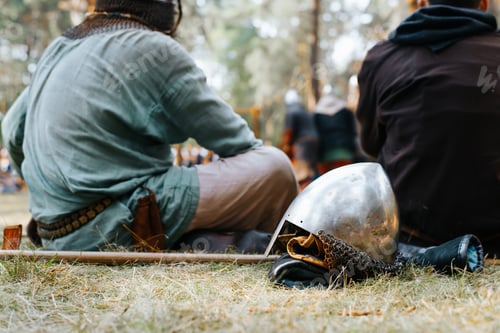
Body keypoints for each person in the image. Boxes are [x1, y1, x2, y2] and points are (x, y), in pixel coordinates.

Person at [0, 0, 298, 252]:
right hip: (119, 224)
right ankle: (258, 246)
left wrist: (51, 195)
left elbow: (13, 128)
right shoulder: (155, 47)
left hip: (53, 234)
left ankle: (203, 237)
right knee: (276, 167)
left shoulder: (61, 46)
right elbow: (238, 143)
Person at [355, 0, 500, 258]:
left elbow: (370, 144)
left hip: (411, 236)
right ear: (484, 4)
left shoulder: (382, 58)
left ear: (421, 2)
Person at [313, 85, 358, 175]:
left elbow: (316, 134)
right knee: (346, 177)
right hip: (344, 150)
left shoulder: (317, 113)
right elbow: (352, 130)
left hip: (325, 152)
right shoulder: (344, 110)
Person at [280, 89, 319, 190]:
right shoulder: (304, 111)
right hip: (315, 141)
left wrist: (285, 147)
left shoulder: (291, 112)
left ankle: (306, 193)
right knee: (312, 170)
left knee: (303, 172)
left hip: (303, 144)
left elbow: (289, 132)